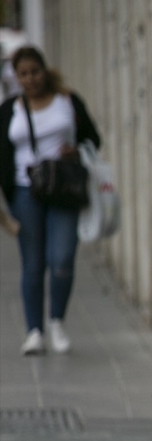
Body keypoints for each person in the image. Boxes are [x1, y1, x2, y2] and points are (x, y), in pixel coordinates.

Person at [0, 45, 102, 355]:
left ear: (45, 70)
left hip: (64, 190)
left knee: (61, 259)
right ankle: (34, 331)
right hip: (24, 191)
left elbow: (94, 139)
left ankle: (57, 320)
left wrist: (76, 150)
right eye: (23, 74)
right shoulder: (9, 110)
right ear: (16, 77)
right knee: (32, 264)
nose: (30, 79)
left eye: (35, 72)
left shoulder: (67, 102)